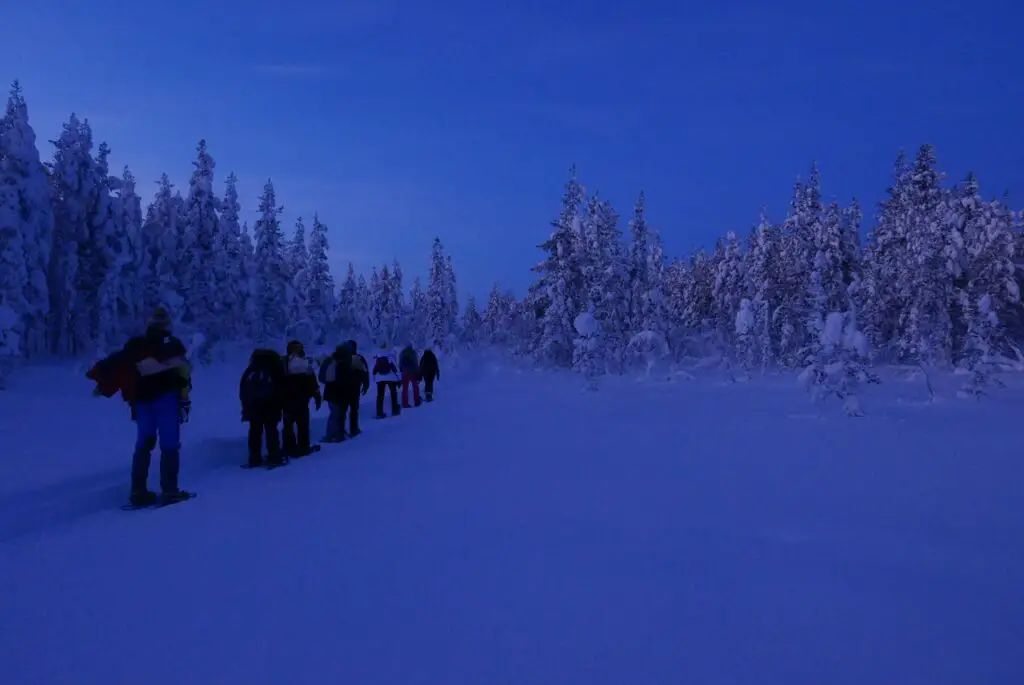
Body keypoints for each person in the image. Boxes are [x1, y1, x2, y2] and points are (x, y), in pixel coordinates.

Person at [87, 306, 193, 506]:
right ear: (167, 325)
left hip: (141, 402)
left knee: (143, 445)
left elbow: (119, 364)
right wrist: (185, 400)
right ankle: (170, 491)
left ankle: (138, 491)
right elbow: (184, 374)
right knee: (169, 445)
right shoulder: (173, 345)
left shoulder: (136, 345)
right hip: (167, 400)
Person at [240, 348, 287, 468]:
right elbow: (282, 387)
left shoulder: (251, 370)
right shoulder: (275, 368)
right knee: (271, 431)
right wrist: (281, 404)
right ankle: (274, 457)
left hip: (253, 407)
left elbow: (242, 389)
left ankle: (254, 459)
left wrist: (246, 405)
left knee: (255, 432)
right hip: (270, 406)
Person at [282, 340, 322, 457]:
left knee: (288, 424)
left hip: (287, 400)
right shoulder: (304, 363)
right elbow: (312, 381)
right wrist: (316, 396)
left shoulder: (283, 362)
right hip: (302, 399)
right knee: (303, 424)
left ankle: (289, 447)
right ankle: (303, 447)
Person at [320, 343, 354, 442]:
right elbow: (347, 380)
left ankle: (336, 433)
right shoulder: (344, 363)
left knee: (335, 413)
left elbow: (322, 377)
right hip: (341, 392)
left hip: (330, 392)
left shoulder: (330, 361)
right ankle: (333, 435)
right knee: (338, 414)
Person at [345, 340, 371, 436]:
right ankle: (353, 428)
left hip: (342, 387)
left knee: (342, 409)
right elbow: (365, 372)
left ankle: (340, 430)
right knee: (354, 408)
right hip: (355, 386)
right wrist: (366, 385)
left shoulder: (341, 358)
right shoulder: (358, 358)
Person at [372, 343, 401, 419]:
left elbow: (374, 370)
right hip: (390, 377)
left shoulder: (377, 356)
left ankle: (379, 413)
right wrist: (398, 379)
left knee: (380, 395)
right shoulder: (390, 355)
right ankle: (395, 410)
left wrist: (374, 378)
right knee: (393, 394)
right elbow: (394, 368)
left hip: (380, 379)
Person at [398, 343, 422, 408]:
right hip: (412, 372)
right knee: (415, 387)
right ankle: (417, 402)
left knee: (405, 388)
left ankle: (405, 403)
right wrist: (417, 372)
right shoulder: (413, 352)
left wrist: (401, 370)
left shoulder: (402, 352)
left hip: (404, 372)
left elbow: (400, 362)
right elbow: (416, 363)